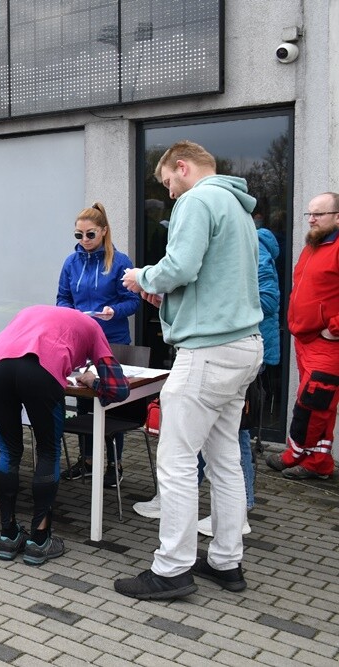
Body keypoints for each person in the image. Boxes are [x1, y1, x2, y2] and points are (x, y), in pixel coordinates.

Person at [117, 140, 262, 599]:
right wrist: (170, 294)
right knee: (225, 460)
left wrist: (143, 277)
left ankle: (172, 568)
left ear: (182, 168)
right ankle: (225, 560)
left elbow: (179, 266)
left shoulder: (198, 199)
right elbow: (210, 278)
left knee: (176, 460)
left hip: (208, 351)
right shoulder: (239, 209)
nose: (171, 195)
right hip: (243, 347)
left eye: (167, 184)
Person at [134, 221, 281, 536]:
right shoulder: (219, 250)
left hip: (234, 352)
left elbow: (266, 300)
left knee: (232, 435)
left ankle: (238, 510)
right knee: (214, 438)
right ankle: (224, 516)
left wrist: (216, 303)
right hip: (220, 348)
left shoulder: (251, 247)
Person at [0, 305, 129, 566]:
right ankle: (40, 540)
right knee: (48, 451)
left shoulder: (31, 312)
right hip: (41, 369)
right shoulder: (94, 327)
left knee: (8, 451)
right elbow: (118, 390)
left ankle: (8, 535)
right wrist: (91, 381)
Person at [57, 202, 141, 487]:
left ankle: (114, 465)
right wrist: (70, 314)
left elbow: (133, 300)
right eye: (78, 235)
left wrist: (113, 311)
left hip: (112, 340)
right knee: (83, 401)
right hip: (82, 339)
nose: (84, 241)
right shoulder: (71, 262)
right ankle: (88, 461)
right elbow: (62, 298)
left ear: (104, 231)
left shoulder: (119, 261)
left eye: (89, 234)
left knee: (111, 403)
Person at [267, 192, 339, 480]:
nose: (311, 219)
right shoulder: (312, 246)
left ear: (337, 217)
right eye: (310, 213)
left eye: (319, 214)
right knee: (323, 406)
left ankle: (295, 452)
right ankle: (319, 463)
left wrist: (334, 328)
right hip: (304, 341)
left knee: (313, 403)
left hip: (327, 344)